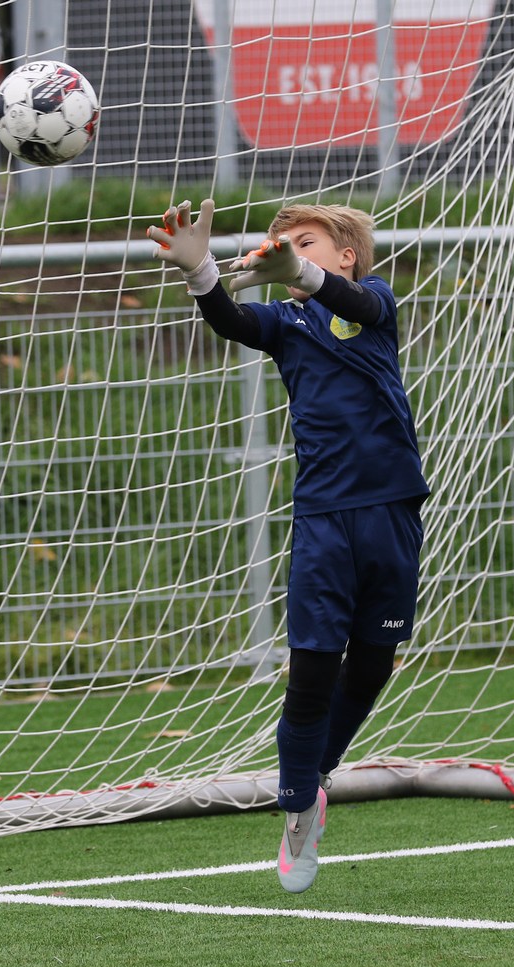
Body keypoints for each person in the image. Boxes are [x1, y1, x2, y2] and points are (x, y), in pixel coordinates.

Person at [148, 199, 429, 893]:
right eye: (281, 242)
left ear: (346, 257)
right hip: (323, 521)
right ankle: (298, 807)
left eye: (306, 242)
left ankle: (315, 772)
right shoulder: (286, 323)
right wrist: (200, 271)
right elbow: (233, 320)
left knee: (372, 663)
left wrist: (298, 270)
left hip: (392, 511)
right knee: (311, 671)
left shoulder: (374, 302)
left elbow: (352, 301)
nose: (287, 249)